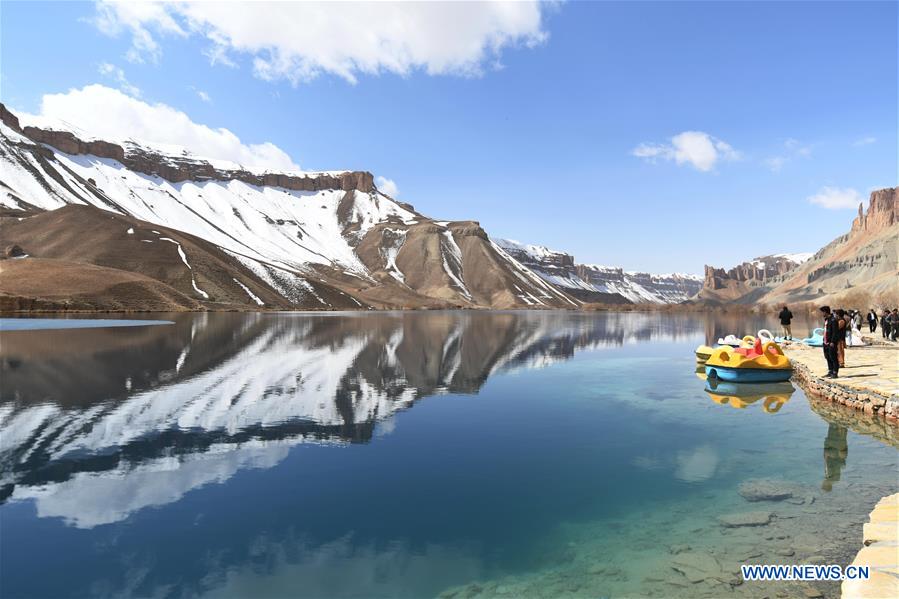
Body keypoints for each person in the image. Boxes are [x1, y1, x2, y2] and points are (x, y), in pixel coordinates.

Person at [820, 306, 839, 378]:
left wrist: (833, 342)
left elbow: (835, 332)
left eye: (822, 312)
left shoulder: (833, 320)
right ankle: (830, 371)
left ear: (825, 312)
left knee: (833, 357)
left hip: (831, 342)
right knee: (827, 356)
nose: (822, 314)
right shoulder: (826, 320)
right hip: (825, 342)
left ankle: (835, 372)